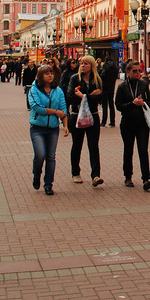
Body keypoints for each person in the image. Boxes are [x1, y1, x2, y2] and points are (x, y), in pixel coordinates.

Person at [28, 64, 68, 195]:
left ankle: (48, 184)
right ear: (41, 76)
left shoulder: (58, 90)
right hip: (37, 127)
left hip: (53, 129)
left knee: (51, 157)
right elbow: (36, 107)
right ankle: (36, 174)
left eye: (51, 73)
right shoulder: (34, 89)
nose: (50, 75)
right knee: (40, 155)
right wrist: (55, 112)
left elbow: (63, 109)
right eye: (47, 73)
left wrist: (65, 126)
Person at [64, 55, 104, 187]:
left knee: (93, 146)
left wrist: (83, 96)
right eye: (81, 63)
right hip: (76, 116)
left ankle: (96, 175)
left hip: (92, 116)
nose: (82, 66)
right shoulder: (75, 79)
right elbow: (70, 98)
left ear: (92, 66)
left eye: (86, 63)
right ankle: (75, 172)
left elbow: (100, 98)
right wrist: (89, 96)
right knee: (77, 145)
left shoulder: (97, 79)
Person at [114, 61, 150, 190]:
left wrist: (143, 103)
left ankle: (146, 178)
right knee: (128, 150)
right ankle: (128, 176)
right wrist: (132, 104)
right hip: (127, 123)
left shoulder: (143, 85)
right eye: (135, 71)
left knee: (143, 150)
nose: (138, 73)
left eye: (139, 70)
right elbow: (118, 105)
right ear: (128, 72)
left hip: (142, 123)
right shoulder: (122, 87)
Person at [99, 56, 119, 127]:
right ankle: (112, 121)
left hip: (105, 87)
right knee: (111, 104)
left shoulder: (105, 66)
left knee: (104, 105)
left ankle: (103, 121)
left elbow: (103, 75)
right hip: (112, 87)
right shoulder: (115, 67)